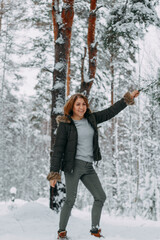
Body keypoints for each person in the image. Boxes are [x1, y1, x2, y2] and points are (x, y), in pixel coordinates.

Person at [47, 90, 140, 239]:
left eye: (84, 104)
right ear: (71, 106)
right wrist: (54, 173)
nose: (81, 107)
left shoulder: (92, 119)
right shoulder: (66, 124)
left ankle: (95, 231)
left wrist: (127, 99)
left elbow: (110, 112)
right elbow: (58, 150)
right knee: (70, 199)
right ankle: (61, 233)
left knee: (100, 197)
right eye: (78, 104)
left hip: (88, 166)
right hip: (73, 166)